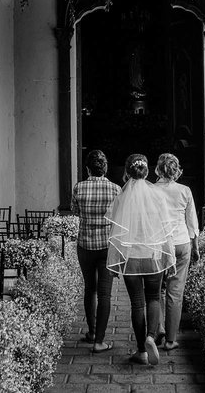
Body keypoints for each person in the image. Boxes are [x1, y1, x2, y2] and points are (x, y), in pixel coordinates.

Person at [106, 153, 176, 366]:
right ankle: (151, 337)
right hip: (153, 256)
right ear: (147, 171)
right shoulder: (157, 195)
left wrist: (114, 261)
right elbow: (166, 230)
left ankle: (141, 351)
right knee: (153, 298)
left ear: (127, 172)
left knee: (137, 304)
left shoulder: (121, 197)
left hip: (131, 258)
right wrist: (170, 258)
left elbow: (115, 231)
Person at [71, 149, 120, 353]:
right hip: (107, 246)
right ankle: (99, 340)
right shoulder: (116, 189)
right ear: (105, 167)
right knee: (105, 294)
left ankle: (91, 331)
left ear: (88, 168)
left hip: (85, 244)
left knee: (89, 288)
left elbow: (75, 211)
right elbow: (119, 215)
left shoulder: (79, 188)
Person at [153, 152, 199, 351]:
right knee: (175, 292)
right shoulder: (185, 191)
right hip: (181, 243)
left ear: (158, 169)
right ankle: (171, 340)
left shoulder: (151, 190)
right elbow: (192, 222)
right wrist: (195, 247)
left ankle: (159, 329)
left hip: (158, 244)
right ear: (176, 169)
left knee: (156, 291)